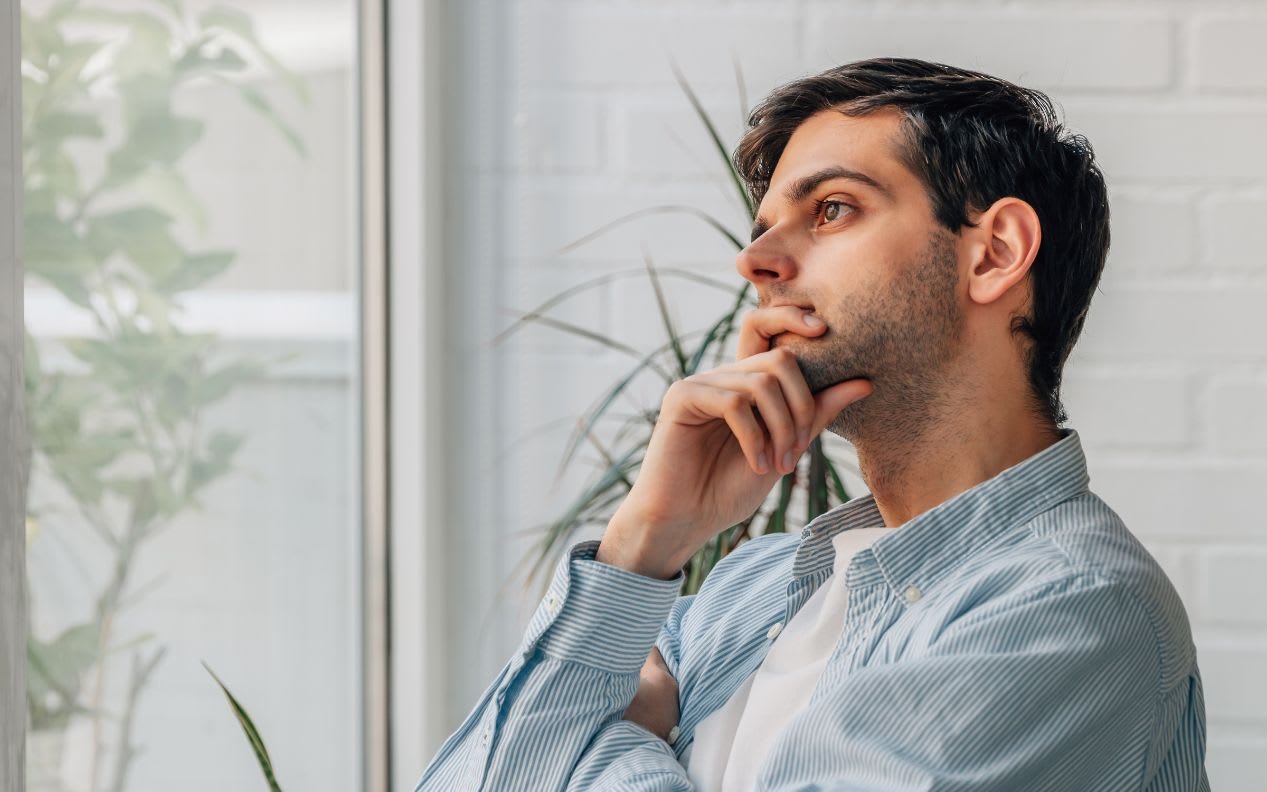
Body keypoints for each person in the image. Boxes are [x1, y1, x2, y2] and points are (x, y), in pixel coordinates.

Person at [414, 57, 1208, 791]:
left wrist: (617, 738)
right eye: (763, 226)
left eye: (830, 210)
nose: (755, 262)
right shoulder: (747, 590)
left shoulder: (1069, 609)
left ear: (994, 252)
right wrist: (642, 545)